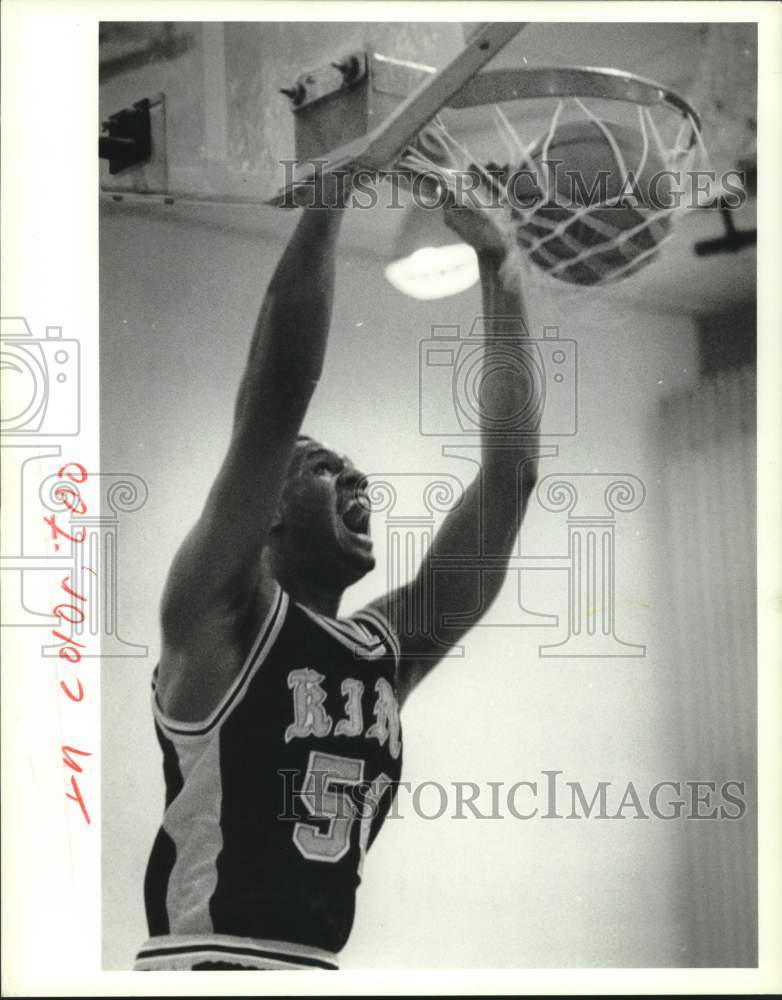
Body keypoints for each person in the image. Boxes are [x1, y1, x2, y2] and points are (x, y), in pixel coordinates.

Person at [134, 170, 540, 971]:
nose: (358, 481)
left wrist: (501, 268)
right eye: (324, 468)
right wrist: (329, 197)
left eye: (356, 471)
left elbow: (513, 476)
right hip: (212, 962)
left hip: (317, 967)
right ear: (268, 514)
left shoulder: (383, 647)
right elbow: (276, 398)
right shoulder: (219, 612)